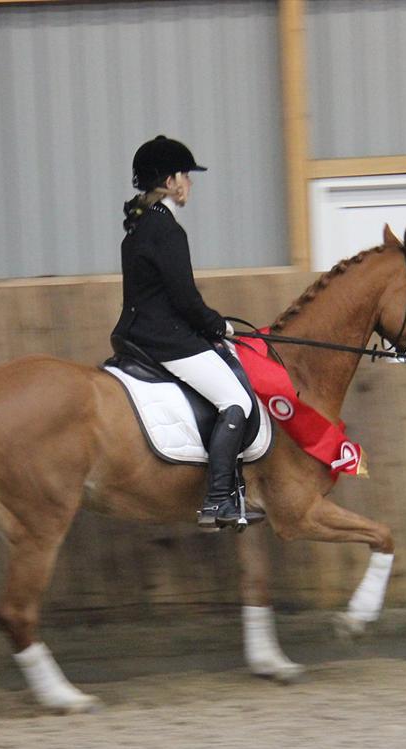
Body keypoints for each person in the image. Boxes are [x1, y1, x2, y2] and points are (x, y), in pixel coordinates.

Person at [111, 135, 257, 532]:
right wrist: (218, 325)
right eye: (187, 176)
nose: (191, 184)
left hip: (136, 334)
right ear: (172, 181)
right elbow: (184, 298)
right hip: (165, 338)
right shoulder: (167, 230)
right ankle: (217, 501)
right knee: (236, 400)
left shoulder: (140, 226)